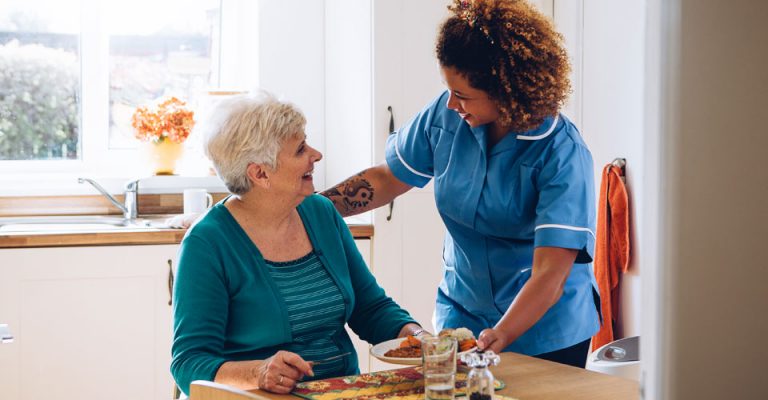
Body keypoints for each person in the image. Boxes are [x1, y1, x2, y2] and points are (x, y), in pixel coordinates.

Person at [321, 0, 599, 368]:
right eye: (448, 89)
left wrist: (502, 333)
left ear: (507, 92)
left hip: (545, 330)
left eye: (464, 95)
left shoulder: (562, 154)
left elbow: (551, 272)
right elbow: (389, 178)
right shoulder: (447, 115)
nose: (451, 103)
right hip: (462, 315)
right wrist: (309, 208)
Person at [170, 92, 423, 395]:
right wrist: (259, 372)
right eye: (300, 149)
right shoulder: (208, 243)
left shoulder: (321, 213)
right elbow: (189, 362)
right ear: (260, 173)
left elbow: (370, 309)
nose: (316, 155)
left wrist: (418, 337)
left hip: (339, 391)